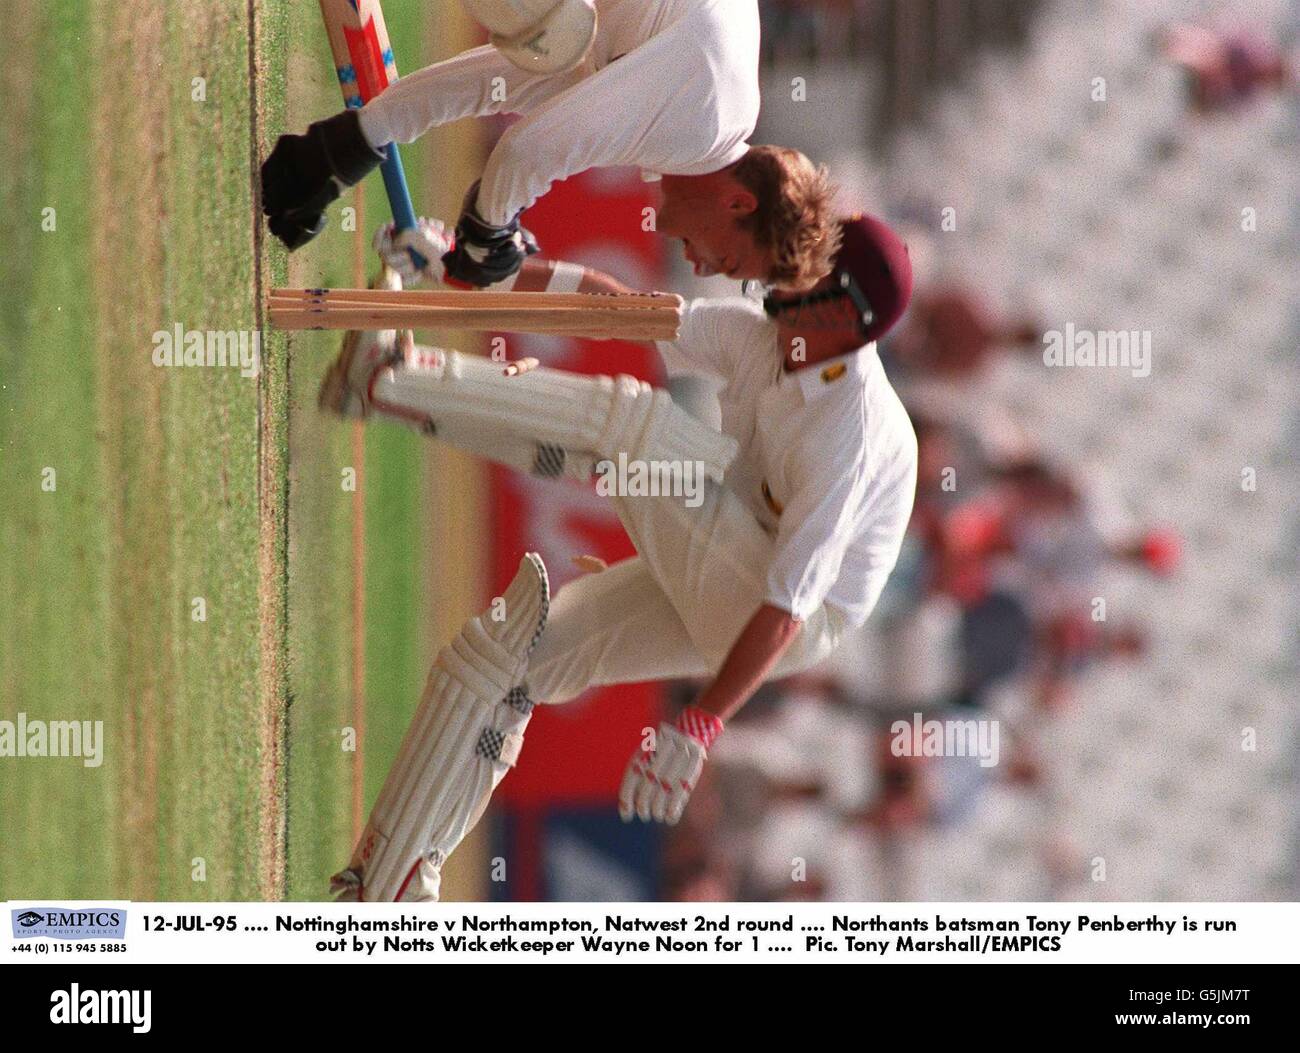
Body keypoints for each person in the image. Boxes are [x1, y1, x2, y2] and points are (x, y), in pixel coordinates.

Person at [325, 213, 917, 901]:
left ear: (843, 311)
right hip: (739, 546)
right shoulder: (766, 338)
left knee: (635, 426)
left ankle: (391, 378)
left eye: (810, 266)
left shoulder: (850, 431)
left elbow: (787, 607)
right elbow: (622, 311)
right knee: (515, 660)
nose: (784, 269)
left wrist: (700, 723)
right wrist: (467, 264)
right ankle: (389, 881)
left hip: (787, 613)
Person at [262, 0, 838, 292]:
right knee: (547, 27)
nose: (700, 267)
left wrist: (336, 154)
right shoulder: (696, 126)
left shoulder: (706, 108)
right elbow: (529, 152)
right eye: (728, 262)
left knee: (550, 37)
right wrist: (487, 235)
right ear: (739, 204)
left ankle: (304, 167)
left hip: (572, 30)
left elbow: (502, 85)